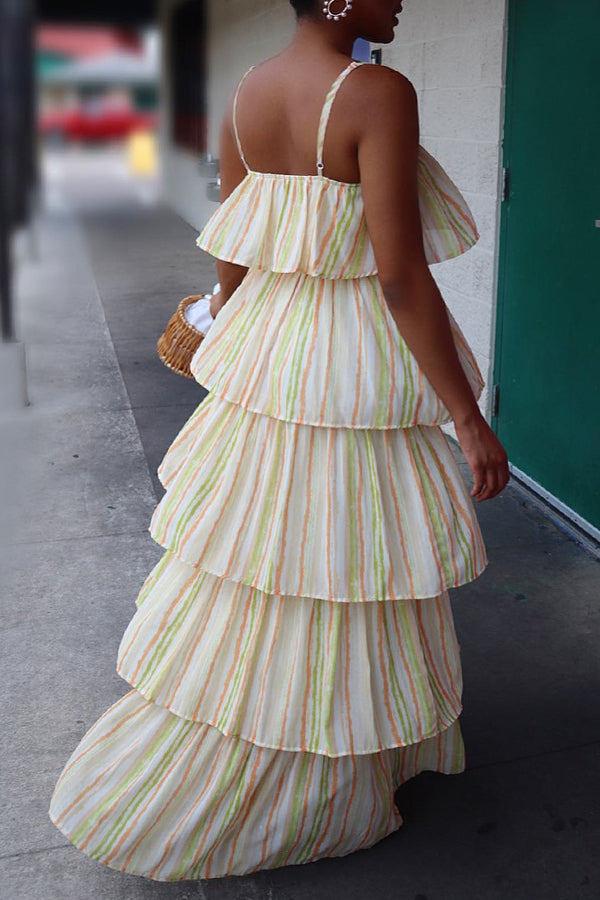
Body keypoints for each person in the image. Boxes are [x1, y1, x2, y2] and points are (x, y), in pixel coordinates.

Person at [48, 0, 510, 882]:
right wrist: (465, 414)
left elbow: (235, 254)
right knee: (347, 561)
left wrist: (228, 325)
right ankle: (329, 763)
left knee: (265, 556)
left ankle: (263, 725)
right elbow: (400, 273)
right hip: (355, 362)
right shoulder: (376, 91)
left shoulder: (246, 94)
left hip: (273, 357)